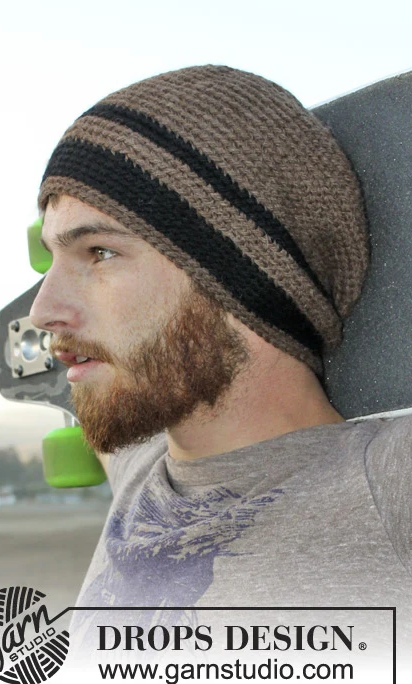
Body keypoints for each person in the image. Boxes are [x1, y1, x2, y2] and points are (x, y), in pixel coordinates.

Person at [30, 66, 411, 650]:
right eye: (53, 257)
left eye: (99, 252)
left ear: (240, 282)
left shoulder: (389, 481)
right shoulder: (139, 464)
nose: (42, 311)